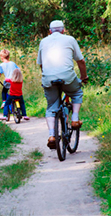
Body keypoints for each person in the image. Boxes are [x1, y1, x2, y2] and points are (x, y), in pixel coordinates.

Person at [37, 20, 88, 149]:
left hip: (48, 78)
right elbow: (81, 61)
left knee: (51, 107)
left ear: (49, 31)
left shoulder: (43, 41)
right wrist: (84, 77)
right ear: (63, 30)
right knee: (77, 93)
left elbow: (41, 64)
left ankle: (52, 136)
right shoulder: (70, 39)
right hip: (67, 77)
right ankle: (75, 119)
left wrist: (47, 76)